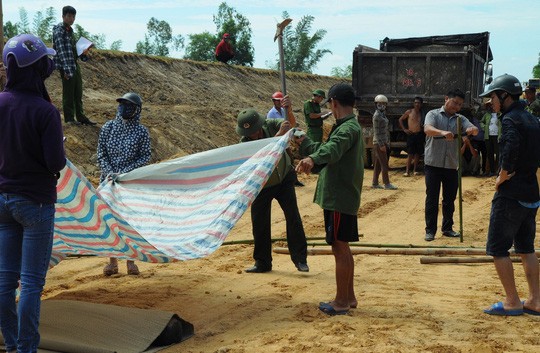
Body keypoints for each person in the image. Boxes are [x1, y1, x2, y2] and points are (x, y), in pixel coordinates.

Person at [0, 34, 66, 353]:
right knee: (31, 284)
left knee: (4, 281)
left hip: (2, 201)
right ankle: (27, 348)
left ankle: (11, 345)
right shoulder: (45, 111)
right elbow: (56, 162)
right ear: (38, 68)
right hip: (36, 203)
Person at [295, 83, 364, 316]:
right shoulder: (348, 126)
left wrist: (312, 159)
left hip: (339, 197)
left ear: (334, 103)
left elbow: (331, 150)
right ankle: (349, 297)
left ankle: (341, 301)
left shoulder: (346, 129)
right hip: (342, 196)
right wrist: (304, 141)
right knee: (342, 247)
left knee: (339, 247)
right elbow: (325, 148)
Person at [479, 74, 540, 316]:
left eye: (493, 97)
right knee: (527, 248)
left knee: (498, 248)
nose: (490, 102)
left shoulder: (511, 120)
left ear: (504, 96)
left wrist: (502, 176)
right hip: (531, 194)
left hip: (511, 196)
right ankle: (535, 300)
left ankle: (512, 301)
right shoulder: (533, 119)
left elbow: (511, 149)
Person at [235, 99, 308, 273]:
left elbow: (290, 125)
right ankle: (262, 262)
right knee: (259, 223)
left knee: (293, 218)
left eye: (253, 131)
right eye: (248, 133)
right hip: (261, 186)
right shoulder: (244, 143)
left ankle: (300, 259)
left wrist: (288, 110)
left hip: (283, 178)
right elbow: (262, 153)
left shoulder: (271, 124)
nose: (251, 135)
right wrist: (278, 136)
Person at [97, 92, 151, 276]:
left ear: (137, 110)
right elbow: (101, 153)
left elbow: (145, 156)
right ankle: (112, 262)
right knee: (109, 221)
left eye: (128, 105)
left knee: (129, 222)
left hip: (130, 183)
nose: (124, 108)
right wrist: (110, 172)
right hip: (108, 182)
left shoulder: (142, 132)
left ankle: (131, 261)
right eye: (121, 104)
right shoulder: (108, 128)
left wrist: (124, 172)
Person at [423, 89, 478, 242]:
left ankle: (447, 228)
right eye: (455, 103)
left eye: (460, 105)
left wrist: (471, 130)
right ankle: (430, 231)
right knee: (432, 198)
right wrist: (442, 132)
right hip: (433, 164)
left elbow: (473, 128)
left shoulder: (460, 118)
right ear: (446, 98)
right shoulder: (433, 114)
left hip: (452, 165)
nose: (457, 107)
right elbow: (427, 129)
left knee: (449, 199)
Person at [52, 5, 96, 126]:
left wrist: (84, 52)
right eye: (69, 16)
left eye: (73, 17)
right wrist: (66, 70)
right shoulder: (59, 31)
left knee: (78, 91)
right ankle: (70, 118)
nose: (71, 19)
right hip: (66, 66)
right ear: (63, 17)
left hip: (74, 64)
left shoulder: (70, 31)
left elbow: (74, 51)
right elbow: (61, 52)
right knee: (69, 93)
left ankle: (81, 116)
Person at [371, 94, 397, 190]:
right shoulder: (377, 115)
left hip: (382, 141)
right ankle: (387, 183)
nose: (382, 105)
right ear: (376, 104)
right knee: (384, 164)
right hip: (378, 142)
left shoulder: (382, 114)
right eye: (379, 103)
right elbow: (377, 132)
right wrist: (382, 144)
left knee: (378, 164)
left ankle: (375, 183)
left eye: (383, 103)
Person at [398, 96, 425, 176]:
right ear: (413, 104)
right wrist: (404, 129)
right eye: (415, 102)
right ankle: (407, 171)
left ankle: (415, 170)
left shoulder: (422, 113)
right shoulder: (409, 112)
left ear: (421, 104)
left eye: (418, 103)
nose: (417, 104)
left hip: (419, 135)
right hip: (411, 135)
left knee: (417, 154)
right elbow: (400, 119)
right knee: (410, 154)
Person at [481, 100, 501, 176]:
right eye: (490, 105)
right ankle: (492, 171)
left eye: (492, 105)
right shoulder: (487, 115)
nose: (492, 106)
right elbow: (481, 122)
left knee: (498, 154)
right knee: (490, 154)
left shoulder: (500, 114)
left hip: (497, 137)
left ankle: (498, 171)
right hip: (488, 137)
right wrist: (484, 127)